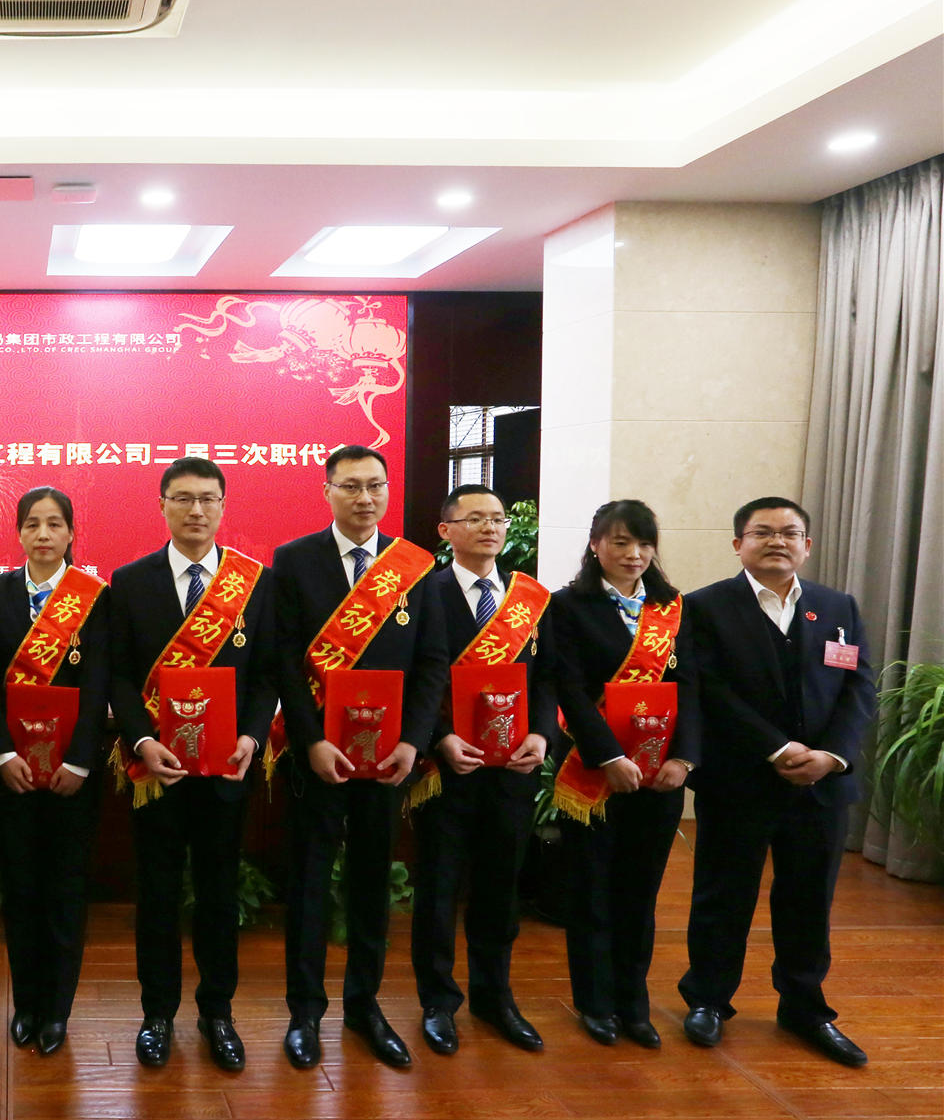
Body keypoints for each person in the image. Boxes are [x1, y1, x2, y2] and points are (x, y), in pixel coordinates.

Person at [679, 497, 876, 1067]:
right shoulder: (704, 606)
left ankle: (805, 1007)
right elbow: (708, 689)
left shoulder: (837, 606)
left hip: (821, 784)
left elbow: (858, 687)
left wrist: (832, 755)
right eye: (761, 532)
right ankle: (708, 999)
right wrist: (777, 747)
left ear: (806, 546)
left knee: (809, 898)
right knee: (723, 893)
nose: (777, 541)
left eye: (790, 533)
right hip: (739, 780)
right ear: (737, 543)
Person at [104, 456, 278, 1072]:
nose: (196, 510)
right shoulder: (130, 582)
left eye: (208, 498)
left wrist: (252, 737)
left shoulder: (254, 583)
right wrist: (140, 740)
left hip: (226, 770)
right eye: (182, 498)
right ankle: (157, 1013)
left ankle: (217, 1012)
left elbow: (266, 676)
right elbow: (119, 675)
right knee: (156, 893)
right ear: (162, 506)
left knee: (218, 892)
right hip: (156, 771)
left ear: (223, 506)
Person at [268, 445, 439, 1070]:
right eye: (351, 486)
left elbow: (431, 663)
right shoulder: (294, 561)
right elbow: (284, 659)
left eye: (375, 486)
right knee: (310, 883)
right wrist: (310, 740)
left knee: (372, 882)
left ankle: (365, 1007)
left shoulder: (414, 567)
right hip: (318, 756)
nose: (365, 498)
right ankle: (305, 1012)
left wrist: (412, 741)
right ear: (327, 491)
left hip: (388, 758)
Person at [406, 484, 556, 1056]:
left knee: (500, 886)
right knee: (439, 888)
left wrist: (542, 733)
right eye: (475, 519)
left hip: (514, 768)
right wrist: (439, 738)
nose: (490, 527)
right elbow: (417, 677)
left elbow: (546, 678)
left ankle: (496, 997)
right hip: (445, 769)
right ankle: (438, 1001)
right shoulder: (424, 593)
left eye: (497, 518)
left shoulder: (529, 598)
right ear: (446, 531)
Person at [544, 500, 699, 1050]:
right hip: (596, 776)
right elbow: (568, 687)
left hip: (660, 777)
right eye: (620, 542)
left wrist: (684, 758)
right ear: (595, 545)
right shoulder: (567, 605)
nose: (633, 554)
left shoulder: (673, 608)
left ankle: (634, 1004)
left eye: (643, 543)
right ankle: (594, 1003)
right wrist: (608, 757)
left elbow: (693, 689)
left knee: (640, 894)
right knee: (592, 892)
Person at [0, 487, 110, 1057]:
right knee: (21, 890)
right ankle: (26, 1004)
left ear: (71, 533)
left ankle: (57, 1010)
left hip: (71, 777)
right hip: (14, 773)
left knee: (65, 891)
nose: (44, 534)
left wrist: (79, 761)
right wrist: (2, 755)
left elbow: (99, 683)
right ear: (19, 533)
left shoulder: (93, 596)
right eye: (33, 524)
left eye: (55, 524)